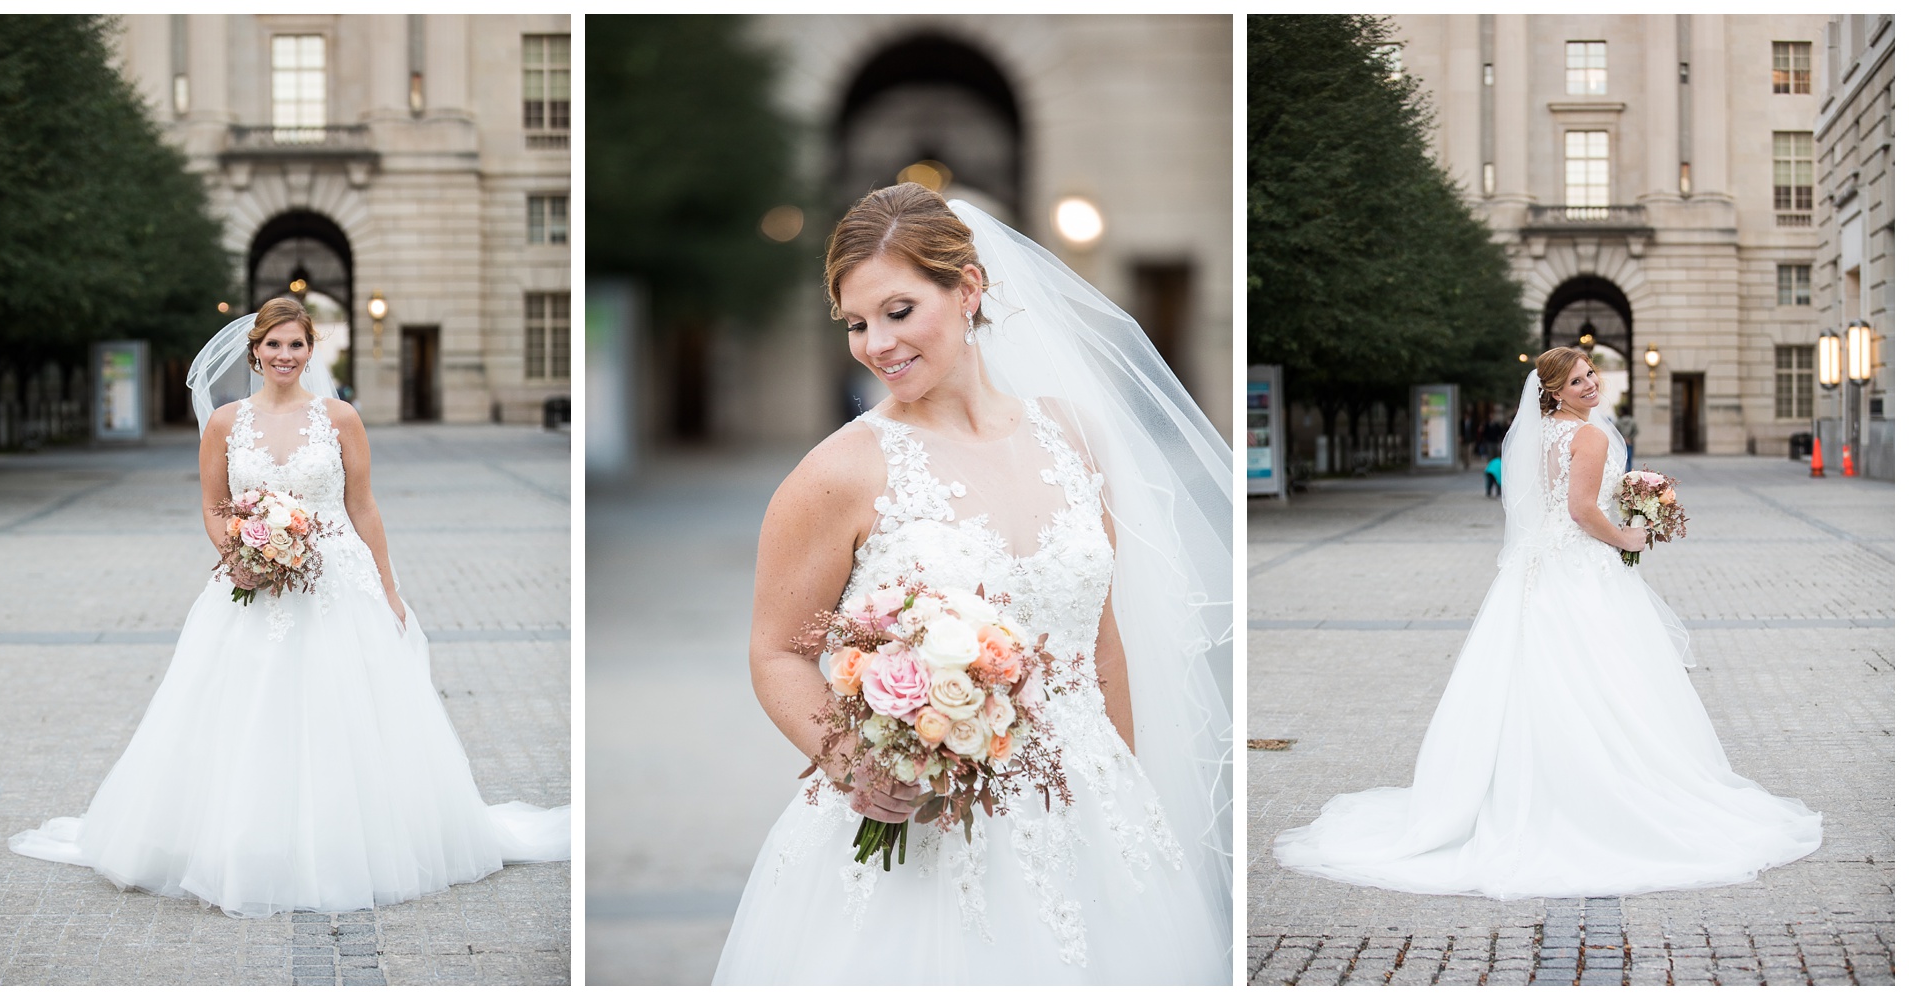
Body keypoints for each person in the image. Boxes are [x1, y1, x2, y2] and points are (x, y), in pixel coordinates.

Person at [714, 185, 1231, 984]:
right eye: (855, 323)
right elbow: (775, 651)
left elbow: (1101, 643)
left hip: (1091, 805)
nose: (876, 343)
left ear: (969, 290)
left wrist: (1126, 794)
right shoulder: (838, 473)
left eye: (898, 310)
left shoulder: (1074, 434)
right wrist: (854, 757)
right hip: (927, 824)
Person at [9, 297, 569, 918]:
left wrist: (388, 588)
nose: (284, 355)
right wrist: (240, 556)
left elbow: (363, 507)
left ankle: (349, 843)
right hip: (251, 584)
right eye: (273, 345)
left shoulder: (340, 418)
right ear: (254, 351)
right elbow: (214, 505)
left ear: (310, 351)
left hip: (337, 578)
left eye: (296, 345)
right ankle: (244, 840)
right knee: (246, 705)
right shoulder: (225, 422)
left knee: (344, 708)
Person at [1273, 347, 1820, 899]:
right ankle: (1598, 798)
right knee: (1602, 676)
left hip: (1540, 567)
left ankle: (1523, 790)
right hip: (1581, 571)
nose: (1589, 385)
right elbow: (1582, 511)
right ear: (1553, 391)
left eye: (1590, 375)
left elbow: (1551, 503)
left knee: (1534, 677)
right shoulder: (1591, 437)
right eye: (1576, 381)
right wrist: (1630, 534)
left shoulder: (1544, 433)